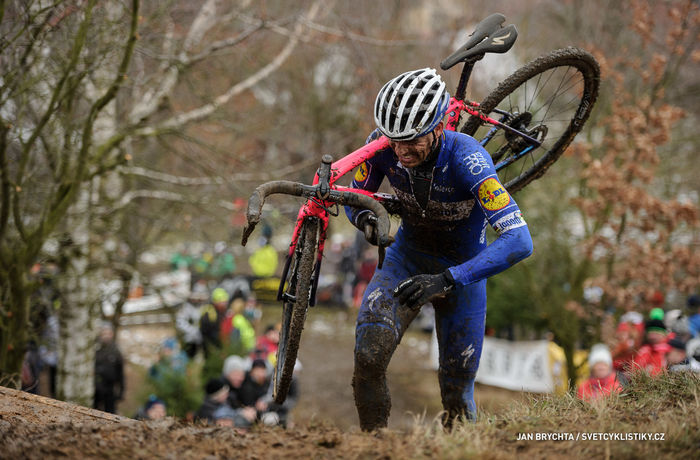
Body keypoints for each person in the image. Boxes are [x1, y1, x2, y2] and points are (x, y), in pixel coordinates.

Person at [344, 68, 533, 430]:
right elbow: (358, 199)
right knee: (368, 359)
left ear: (438, 127)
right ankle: (370, 448)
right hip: (407, 259)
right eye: (393, 140)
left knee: (457, 393)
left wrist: (449, 279)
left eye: (412, 140)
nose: (400, 150)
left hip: (462, 274)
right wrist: (368, 222)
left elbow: (520, 241)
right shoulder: (381, 145)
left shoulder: (469, 159)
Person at [94, 322, 125, 414]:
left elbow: (120, 372)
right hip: (96, 387)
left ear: (112, 334)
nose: (106, 336)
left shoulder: (116, 351)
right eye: (104, 333)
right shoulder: (95, 348)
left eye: (108, 333)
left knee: (110, 412)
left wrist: (121, 390)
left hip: (110, 388)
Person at [199, 288, 230, 358]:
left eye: (225, 302)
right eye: (223, 302)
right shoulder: (209, 314)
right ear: (216, 302)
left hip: (218, 346)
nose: (225, 304)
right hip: (211, 347)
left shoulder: (222, 312)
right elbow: (207, 334)